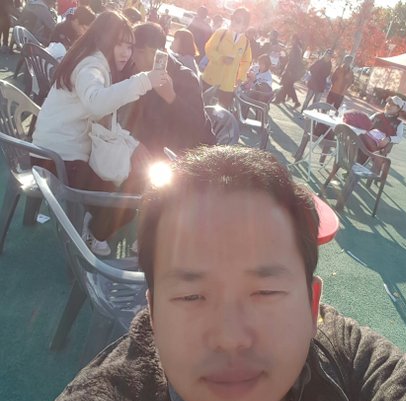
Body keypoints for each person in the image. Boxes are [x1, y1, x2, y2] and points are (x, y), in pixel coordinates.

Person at [31, 146, 406, 401]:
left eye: (265, 291)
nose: (230, 338)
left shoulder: (344, 354)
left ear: (312, 307)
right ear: (152, 312)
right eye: (191, 296)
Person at [32, 11, 166, 256]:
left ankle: (92, 225)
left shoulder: (90, 60)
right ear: (104, 39)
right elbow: (96, 103)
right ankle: (92, 235)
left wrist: (132, 143)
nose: (125, 53)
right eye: (119, 44)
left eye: (129, 46)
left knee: (123, 183)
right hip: (58, 160)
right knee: (124, 206)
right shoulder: (92, 65)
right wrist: (144, 80)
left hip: (53, 153)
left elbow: (103, 119)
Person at [122, 22, 215, 158]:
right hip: (146, 149)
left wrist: (171, 97)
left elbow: (197, 127)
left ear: (162, 53)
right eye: (134, 50)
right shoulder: (134, 70)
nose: (136, 57)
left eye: (142, 52)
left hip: (186, 155)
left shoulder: (185, 77)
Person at [202, 7, 252, 109]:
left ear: (244, 25)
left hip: (228, 86)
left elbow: (246, 61)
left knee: (221, 113)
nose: (233, 21)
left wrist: (240, 78)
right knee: (202, 108)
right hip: (210, 79)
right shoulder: (221, 33)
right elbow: (209, 48)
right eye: (232, 17)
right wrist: (221, 58)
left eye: (238, 20)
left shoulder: (245, 42)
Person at [300, 48, 333, 113]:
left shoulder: (330, 64)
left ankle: (311, 114)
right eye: (327, 55)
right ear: (325, 54)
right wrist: (316, 74)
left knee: (316, 103)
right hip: (313, 83)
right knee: (307, 99)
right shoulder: (319, 61)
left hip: (321, 86)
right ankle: (303, 111)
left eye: (330, 56)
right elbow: (311, 68)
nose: (328, 57)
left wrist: (321, 74)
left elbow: (327, 74)